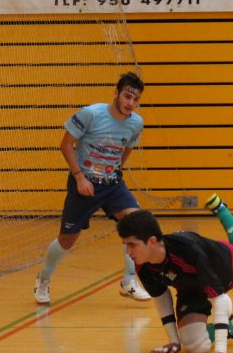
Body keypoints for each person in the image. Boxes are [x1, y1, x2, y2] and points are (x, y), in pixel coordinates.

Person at [34, 72, 151, 305]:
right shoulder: (91, 114)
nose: (131, 103)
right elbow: (66, 145)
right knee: (67, 240)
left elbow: (126, 148)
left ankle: (128, 281)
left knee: (137, 224)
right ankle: (43, 278)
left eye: (136, 100)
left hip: (112, 183)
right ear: (116, 93)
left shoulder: (136, 123)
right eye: (127, 96)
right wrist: (79, 178)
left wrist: (115, 170)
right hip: (84, 183)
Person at [117, 195, 233, 353]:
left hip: (226, 266)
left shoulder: (189, 252)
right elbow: (161, 297)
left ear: (151, 241)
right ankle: (230, 327)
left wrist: (220, 351)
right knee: (195, 346)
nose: (128, 252)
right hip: (191, 287)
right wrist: (174, 340)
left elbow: (220, 298)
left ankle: (221, 210)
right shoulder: (143, 265)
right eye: (125, 245)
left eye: (131, 245)